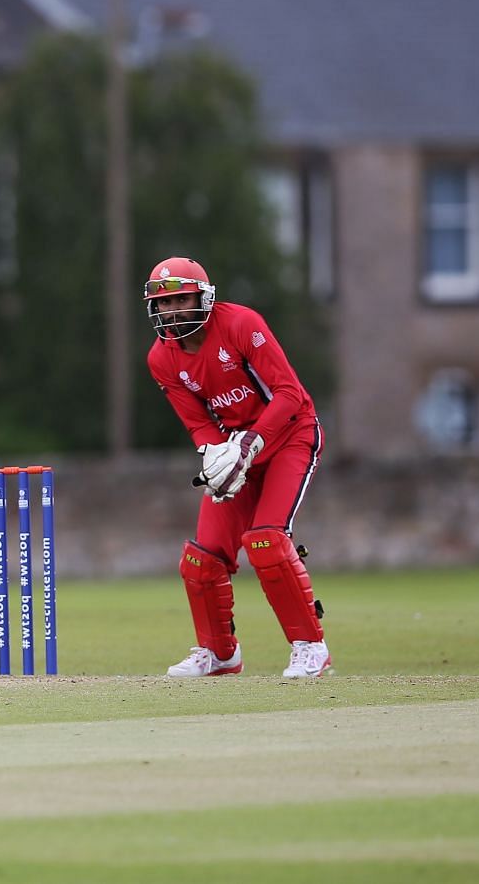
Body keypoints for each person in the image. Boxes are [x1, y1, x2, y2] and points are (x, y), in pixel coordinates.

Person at [142, 256, 331, 679]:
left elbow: (289, 394)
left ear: (204, 298)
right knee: (202, 559)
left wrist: (252, 441)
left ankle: (310, 646)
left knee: (266, 540)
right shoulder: (162, 359)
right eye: (164, 303)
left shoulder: (241, 324)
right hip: (235, 451)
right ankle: (219, 653)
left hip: (289, 435)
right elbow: (198, 423)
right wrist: (216, 458)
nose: (172, 311)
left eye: (181, 300)